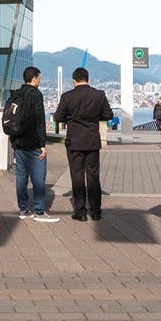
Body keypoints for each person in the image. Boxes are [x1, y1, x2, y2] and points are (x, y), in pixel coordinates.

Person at [52, 67, 113, 221]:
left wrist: (71, 118)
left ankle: (80, 211)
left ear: (74, 81)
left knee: (77, 175)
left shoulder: (67, 96)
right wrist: (93, 117)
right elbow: (108, 114)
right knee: (93, 175)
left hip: (75, 141)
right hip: (92, 140)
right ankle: (96, 211)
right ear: (88, 78)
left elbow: (58, 117)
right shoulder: (99, 95)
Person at [9, 66, 56, 222]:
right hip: (33, 143)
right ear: (34, 78)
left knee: (21, 177)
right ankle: (40, 210)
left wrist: (13, 141)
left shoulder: (16, 93)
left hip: (18, 143)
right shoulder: (36, 94)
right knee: (38, 177)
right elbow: (40, 120)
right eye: (39, 78)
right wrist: (42, 144)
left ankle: (23, 209)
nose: (40, 81)